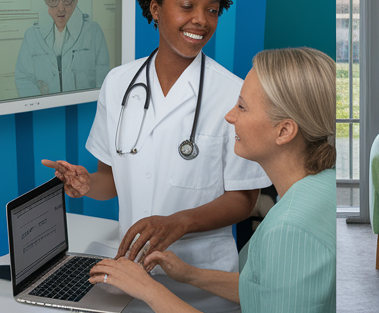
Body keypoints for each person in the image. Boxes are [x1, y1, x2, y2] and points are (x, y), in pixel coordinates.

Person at [42, 0, 267, 273]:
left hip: (202, 283)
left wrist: (179, 222)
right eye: (187, 6)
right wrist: (87, 183)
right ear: (156, 8)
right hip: (130, 273)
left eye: (213, 10)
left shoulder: (235, 94)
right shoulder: (118, 83)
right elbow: (110, 179)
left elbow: (244, 199)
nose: (201, 20)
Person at [87, 48, 338, 313]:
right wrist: (189, 274)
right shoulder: (322, 188)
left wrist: (147, 289)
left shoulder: (289, 229)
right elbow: (271, 291)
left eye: (242, 106)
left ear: (284, 130)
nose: (229, 116)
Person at [16, 0, 109, 97]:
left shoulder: (94, 33)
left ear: (76, 0)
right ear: (47, 2)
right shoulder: (31, 36)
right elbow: (23, 79)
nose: (61, 8)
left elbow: (103, 82)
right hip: (45, 112)